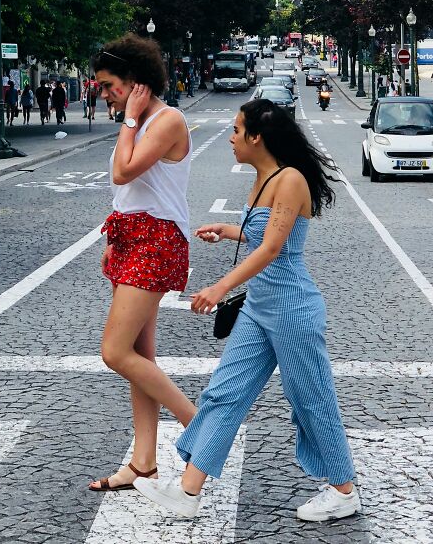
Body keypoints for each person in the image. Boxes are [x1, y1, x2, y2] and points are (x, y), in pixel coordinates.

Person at [134, 98, 360, 523]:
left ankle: (344, 490)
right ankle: (188, 490)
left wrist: (221, 286)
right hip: (259, 307)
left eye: (236, 131)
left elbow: (275, 247)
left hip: (292, 309)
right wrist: (229, 230)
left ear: (257, 137)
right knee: (223, 392)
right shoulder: (263, 177)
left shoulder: (290, 179)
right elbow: (265, 231)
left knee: (310, 400)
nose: (231, 139)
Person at [89, 34, 196, 493]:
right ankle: (143, 463)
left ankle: (202, 424)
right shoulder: (136, 120)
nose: (104, 93)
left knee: (115, 352)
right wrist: (115, 237)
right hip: (133, 236)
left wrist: (129, 117)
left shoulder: (166, 120)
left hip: (158, 240)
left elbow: (123, 170)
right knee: (139, 356)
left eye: (110, 85)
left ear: (136, 83)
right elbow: (126, 190)